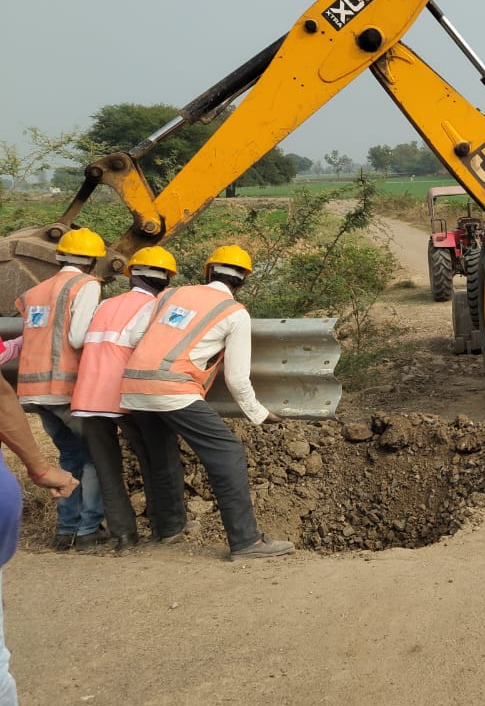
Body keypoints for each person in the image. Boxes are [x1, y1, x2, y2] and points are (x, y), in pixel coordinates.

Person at [119, 245, 294, 561]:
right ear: (242, 283)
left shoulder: (170, 295)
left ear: (207, 272)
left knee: (161, 454)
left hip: (132, 386)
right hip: (173, 390)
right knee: (227, 452)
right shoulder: (234, 312)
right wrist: (258, 413)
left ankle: (168, 529)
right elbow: (237, 379)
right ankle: (246, 542)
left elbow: (132, 338)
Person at [71, 247, 188, 553]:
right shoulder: (157, 308)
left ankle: (123, 535)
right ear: (166, 281)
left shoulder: (106, 304)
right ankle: (166, 527)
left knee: (107, 468)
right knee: (156, 459)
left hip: (88, 396)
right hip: (127, 395)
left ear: (130, 276)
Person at [14, 228, 108, 551]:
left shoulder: (36, 292)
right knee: (96, 456)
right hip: (64, 389)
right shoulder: (85, 286)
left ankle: (65, 530)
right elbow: (79, 337)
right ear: (93, 261)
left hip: (32, 391)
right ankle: (88, 530)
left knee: (69, 454)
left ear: (60, 257)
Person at [0, 370, 79, 706]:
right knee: (81, 456)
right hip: (71, 391)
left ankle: (71, 532)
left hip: (43, 391)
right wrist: (40, 468)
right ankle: (79, 529)